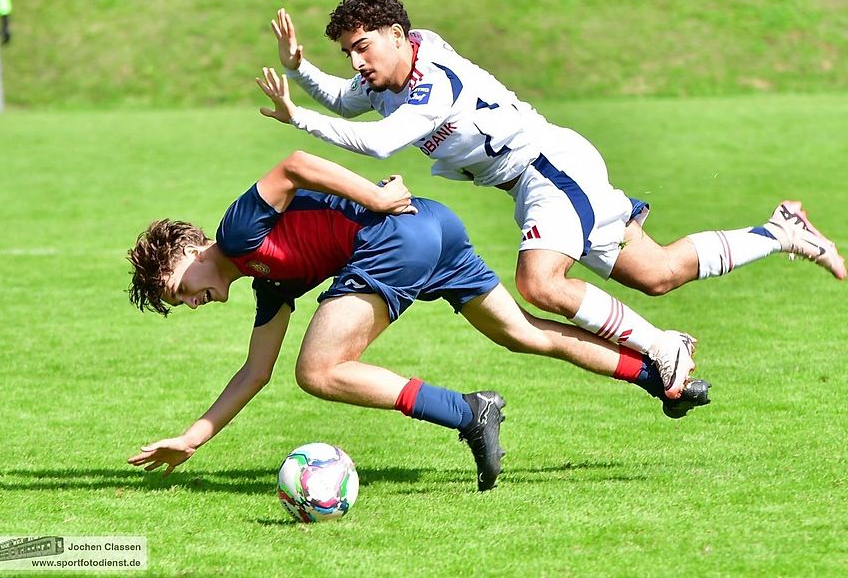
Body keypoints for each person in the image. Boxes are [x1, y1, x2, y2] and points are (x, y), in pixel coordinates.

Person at [256, 0, 848, 400]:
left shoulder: (435, 83)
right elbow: (344, 102)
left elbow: (381, 145)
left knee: (539, 284)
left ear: (397, 35)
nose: (357, 63)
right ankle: (781, 231)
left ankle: (664, 345)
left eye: (363, 47)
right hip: (538, 179)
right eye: (348, 53)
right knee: (659, 272)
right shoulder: (389, 77)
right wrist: (302, 71)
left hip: (549, 169)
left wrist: (297, 122)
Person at [125, 151, 711, 492]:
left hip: (395, 234)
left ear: (191, 251)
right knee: (522, 333)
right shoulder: (269, 279)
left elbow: (294, 165)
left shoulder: (234, 234)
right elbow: (255, 371)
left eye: (183, 290)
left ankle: (469, 412)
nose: (193, 302)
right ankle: (659, 377)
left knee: (320, 370)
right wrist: (192, 439)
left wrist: (374, 201)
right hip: (436, 228)